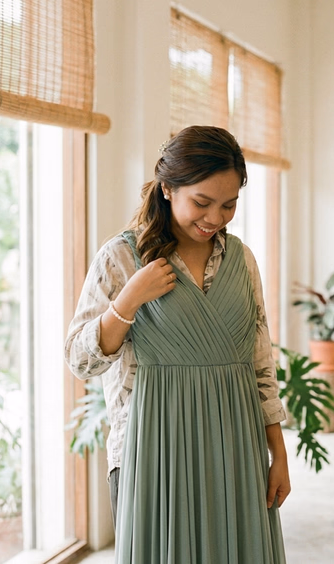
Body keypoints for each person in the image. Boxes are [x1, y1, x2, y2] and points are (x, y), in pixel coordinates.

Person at [64, 125, 289, 563]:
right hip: (151, 455)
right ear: (167, 188)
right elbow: (79, 360)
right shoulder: (121, 257)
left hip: (235, 449)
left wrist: (277, 454)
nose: (215, 218)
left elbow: (260, 362)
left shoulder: (241, 259)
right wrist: (128, 300)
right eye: (201, 203)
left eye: (229, 205)